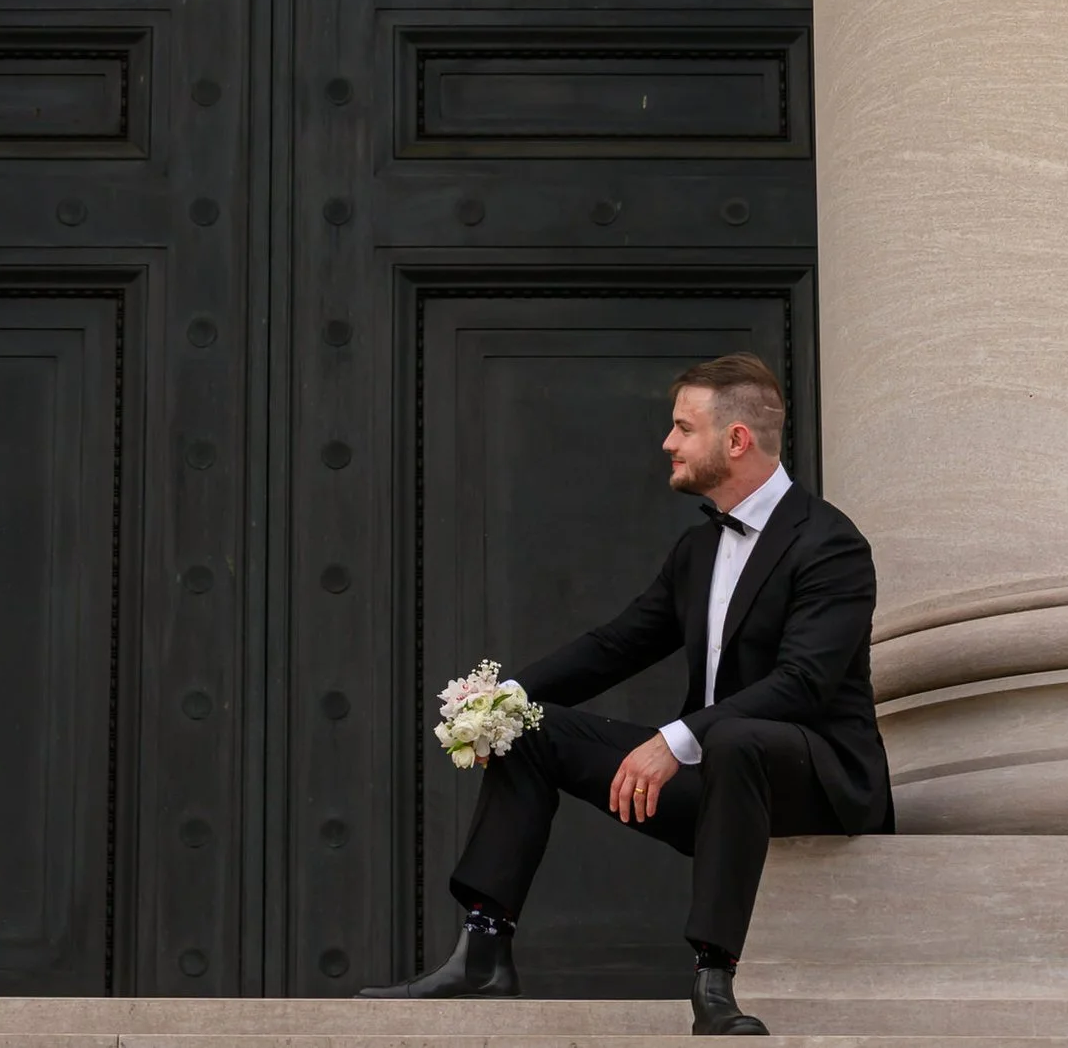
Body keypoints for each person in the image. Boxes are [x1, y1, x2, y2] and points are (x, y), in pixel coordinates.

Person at [358, 354, 890, 1033]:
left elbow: (803, 684)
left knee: (732, 737)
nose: (668, 443)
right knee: (528, 726)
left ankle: (712, 976)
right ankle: (485, 949)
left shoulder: (831, 543)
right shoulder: (697, 550)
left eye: (682, 427)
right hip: (716, 769)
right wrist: (503, 696)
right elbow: (617, 643)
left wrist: (675, 738)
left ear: (736, 440)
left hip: (817, 778)